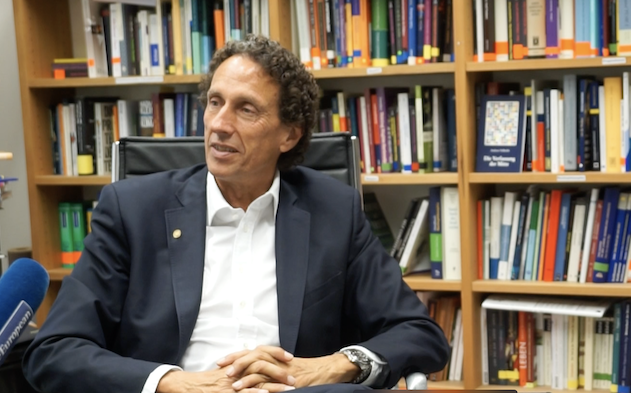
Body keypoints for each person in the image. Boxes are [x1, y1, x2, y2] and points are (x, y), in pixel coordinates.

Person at [22, 35, 449, 393]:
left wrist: (330, 367)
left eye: (246, 109)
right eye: (215, 102)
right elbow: (54, 350)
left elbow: (419, 333)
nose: (219, 124)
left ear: (289, 135)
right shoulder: (133, 209)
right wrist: (170, 381)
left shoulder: (333, 210)